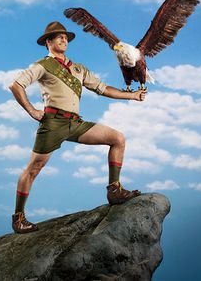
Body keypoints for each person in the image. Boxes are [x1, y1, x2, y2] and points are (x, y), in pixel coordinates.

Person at [9, 21, 146, 234]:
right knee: (34, 169)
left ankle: (114, 190)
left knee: (117, 138)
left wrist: (132, 96)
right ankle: (18, 218)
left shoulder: (78, 68)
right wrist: (32, 111)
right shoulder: (42, 65)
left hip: (75, 123)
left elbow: (102, 89)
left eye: (65, 37)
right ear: (48, 42)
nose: (64, 39)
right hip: (53, 123)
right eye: (58, 37)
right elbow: (16, 85)